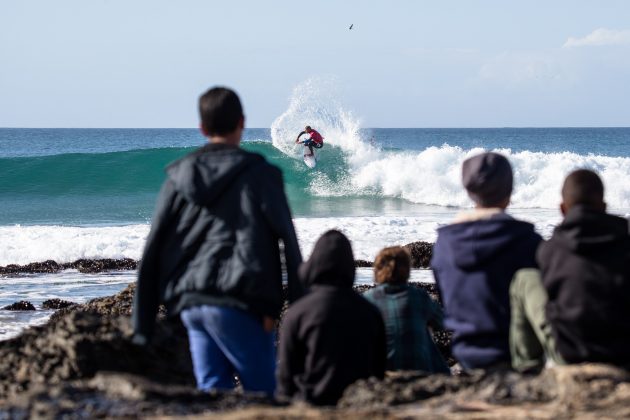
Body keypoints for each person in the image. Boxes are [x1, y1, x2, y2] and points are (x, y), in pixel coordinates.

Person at [132, 87, 303, 396]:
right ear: (242, 122)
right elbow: (289, 244)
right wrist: (299, 314)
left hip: (192, 303)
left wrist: (142, 325)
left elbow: (153, 247)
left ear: (202, 128)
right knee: (263, 397)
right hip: (244, 301)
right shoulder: (262, 175)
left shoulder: (179, 176)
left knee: (212, 395)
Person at [431, 152, 542, 371]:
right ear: (509, 191)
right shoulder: (527, 241)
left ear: (469, 191)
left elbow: (445, 299)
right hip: (517, 359)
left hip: (464, 356)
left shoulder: (444, 244)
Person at [510, 169, 630, 372]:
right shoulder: (626, 243)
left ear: (563, 209)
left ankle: (528, 369)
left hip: (568, 355)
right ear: (603, 206)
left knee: (525, 278)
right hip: (623, 354)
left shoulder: (550, 249)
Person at [276, 230, 386, 406]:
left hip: (310, 407)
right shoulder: (371, 312)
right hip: (358, 407)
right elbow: (378, 374)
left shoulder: (297, 314)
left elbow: (286, 379)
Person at [363, 246, 450, 373]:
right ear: (407, 269)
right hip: (419, 371)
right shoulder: (419, 297)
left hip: (380, 371)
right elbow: (442, 322)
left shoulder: (368, 299)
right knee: (424, 329)